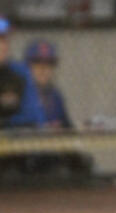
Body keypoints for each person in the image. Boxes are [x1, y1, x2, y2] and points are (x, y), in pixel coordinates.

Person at [22, 38, 93, 177]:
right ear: (27, 67)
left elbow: (67, 126)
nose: (44, 70)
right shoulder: (20, 94)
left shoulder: (54, 95)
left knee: (85, 162)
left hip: (53, 151)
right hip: (27, 154)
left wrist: (82, 127)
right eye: (37, 64)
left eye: (49, 65)